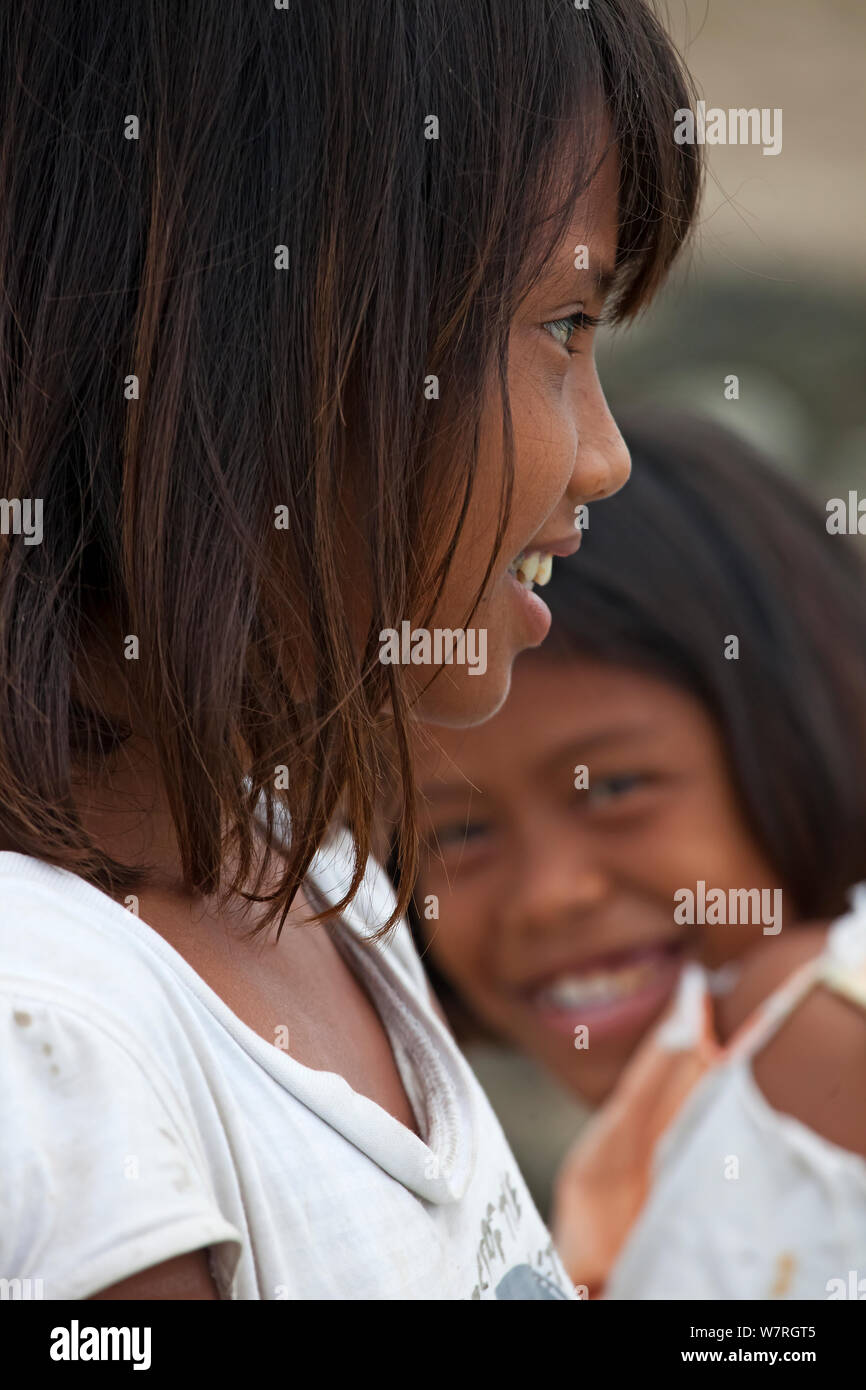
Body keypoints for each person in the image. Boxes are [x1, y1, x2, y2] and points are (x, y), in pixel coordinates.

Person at [0, 3, 700, 1299]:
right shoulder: (51, 1044)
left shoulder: (316, 873)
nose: (603, 455)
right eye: (561, 325)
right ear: (255, 344)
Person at [405, 410, 866, 1298]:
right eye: (458, 832)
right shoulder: (664, 1140)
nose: (551, 896)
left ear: (796, 729)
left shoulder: (815, 1028)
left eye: (615, 790)